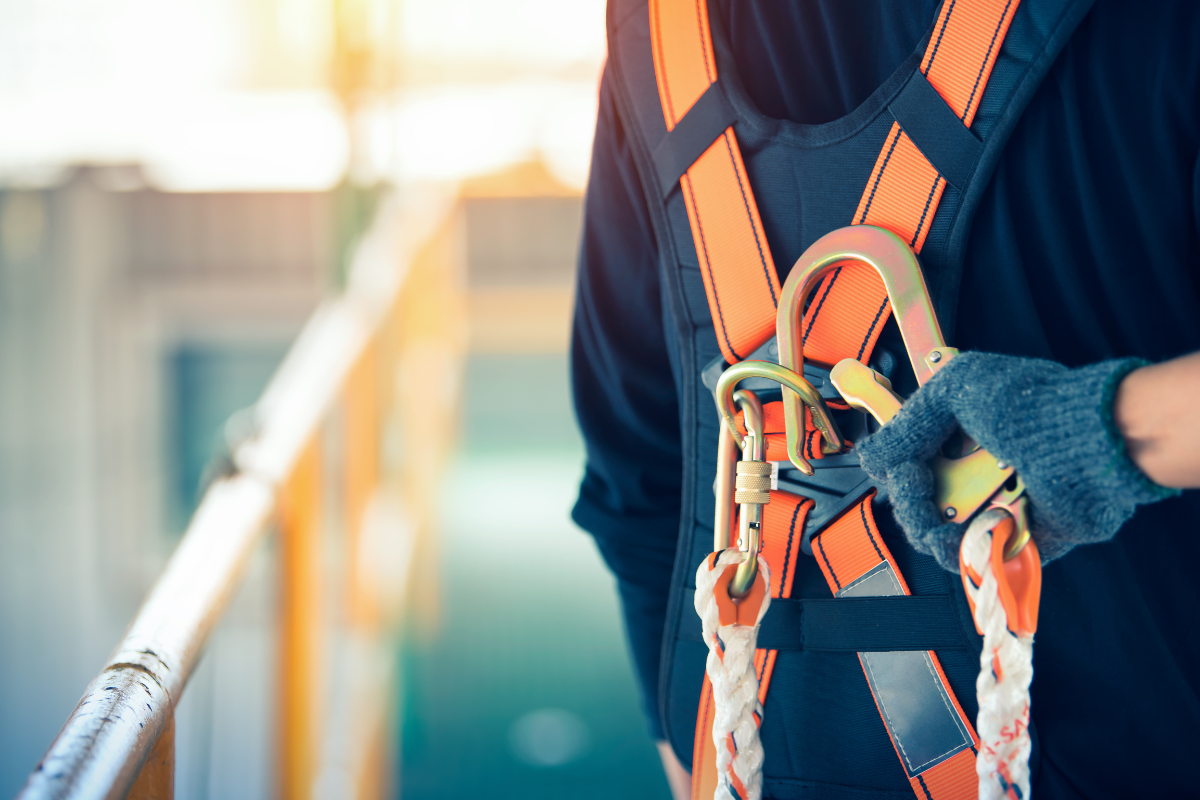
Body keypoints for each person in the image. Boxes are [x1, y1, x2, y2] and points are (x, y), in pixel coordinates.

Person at [570, 1, 1200, 798]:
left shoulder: (660, 34)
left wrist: (701, 760)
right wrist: (1119, 427)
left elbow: (634, 470)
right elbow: (636, 466)